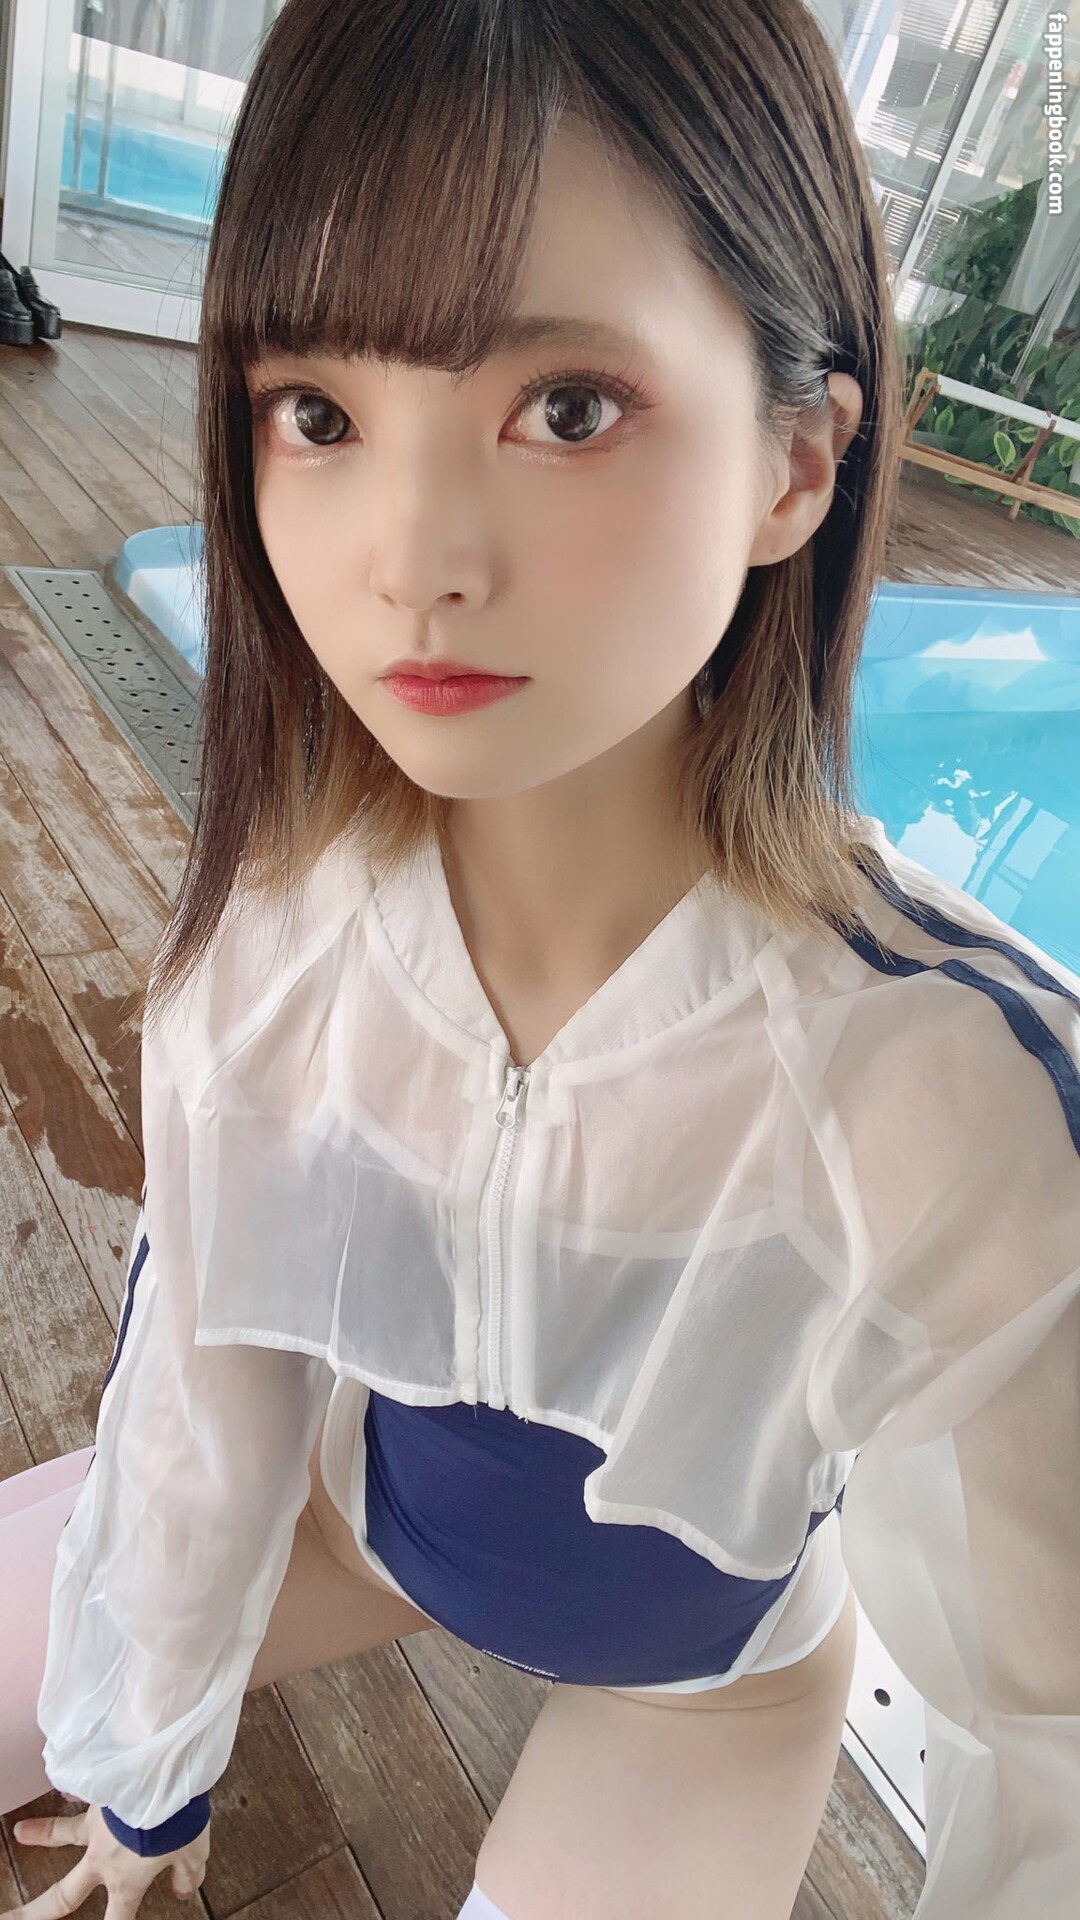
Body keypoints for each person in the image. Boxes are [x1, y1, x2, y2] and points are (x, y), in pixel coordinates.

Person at [3, 0, 1079, 1914]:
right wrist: (146, 1778)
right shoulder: (274, 955)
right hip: (360, 1526)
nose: (411, 554)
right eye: (318, 414)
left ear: (798, 461)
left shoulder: (953, 1092)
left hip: (700, 1685)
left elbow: (1057, 1713)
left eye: (566, 408)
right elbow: (202, 1387)